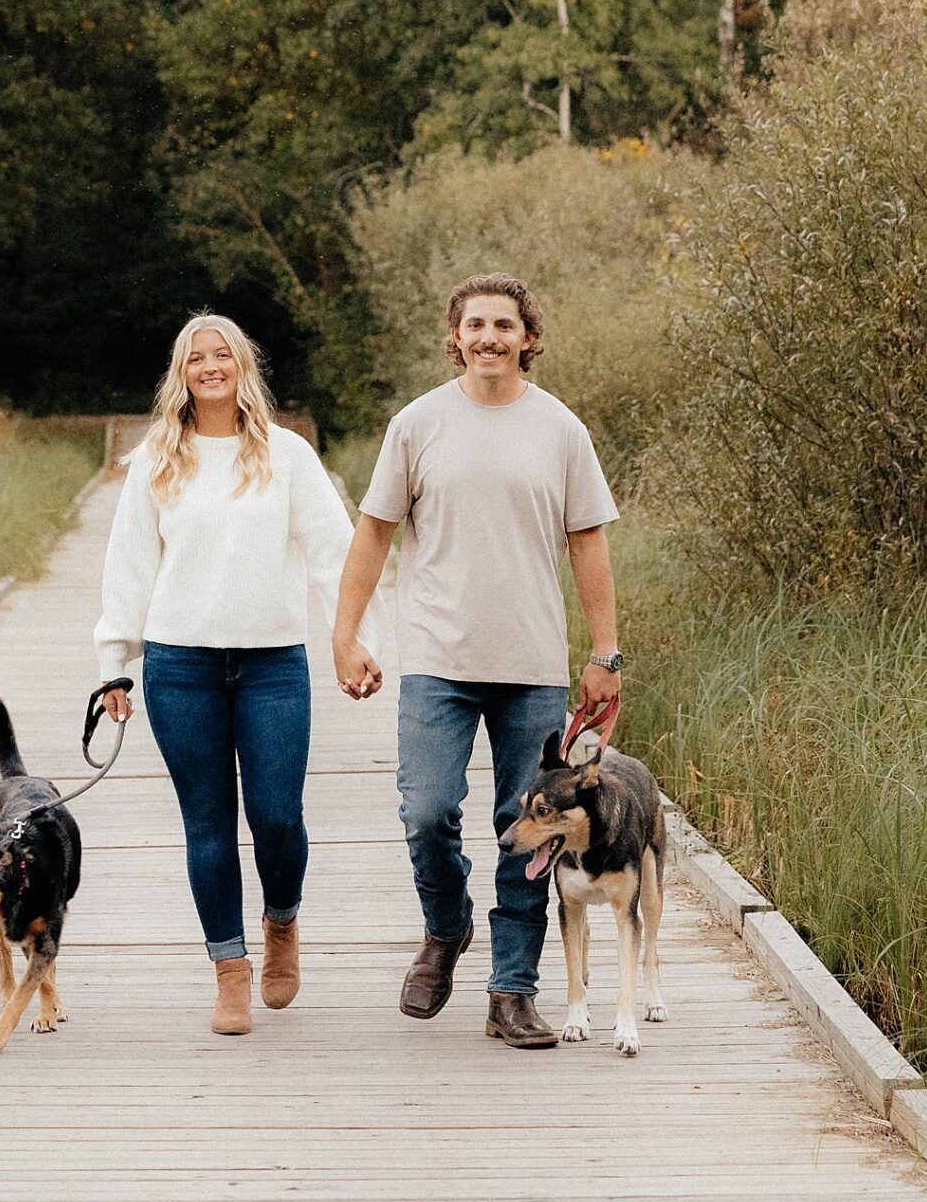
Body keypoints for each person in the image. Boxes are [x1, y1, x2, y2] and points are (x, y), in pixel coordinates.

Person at [331, 272, 623, 1048]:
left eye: (504, 325)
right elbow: (373, 532)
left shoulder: (559, 430)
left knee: (526, 824)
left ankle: (512, 991)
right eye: (475, 325)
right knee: (425, 813)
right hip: (436, 657)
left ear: (528, 337)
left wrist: (605, 653)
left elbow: (587, 541)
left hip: (530, 663)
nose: (489, 337)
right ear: (454, 335)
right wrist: (346, 633)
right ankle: (447, 928)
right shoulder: (418, 424)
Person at [95, 313, 382, 1037]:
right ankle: (229, 970)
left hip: (272, 665)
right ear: (181, 373)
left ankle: (281, 921)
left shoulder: (286, 455)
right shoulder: (156, 458)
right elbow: (128, 563)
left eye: (222, 354)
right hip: (177, 663)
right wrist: (113, 669)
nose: (211, 366)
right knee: (208, 824)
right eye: (197, 357)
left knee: (277, 817)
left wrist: (352, 641)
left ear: (242, 366)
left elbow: (333, 553)